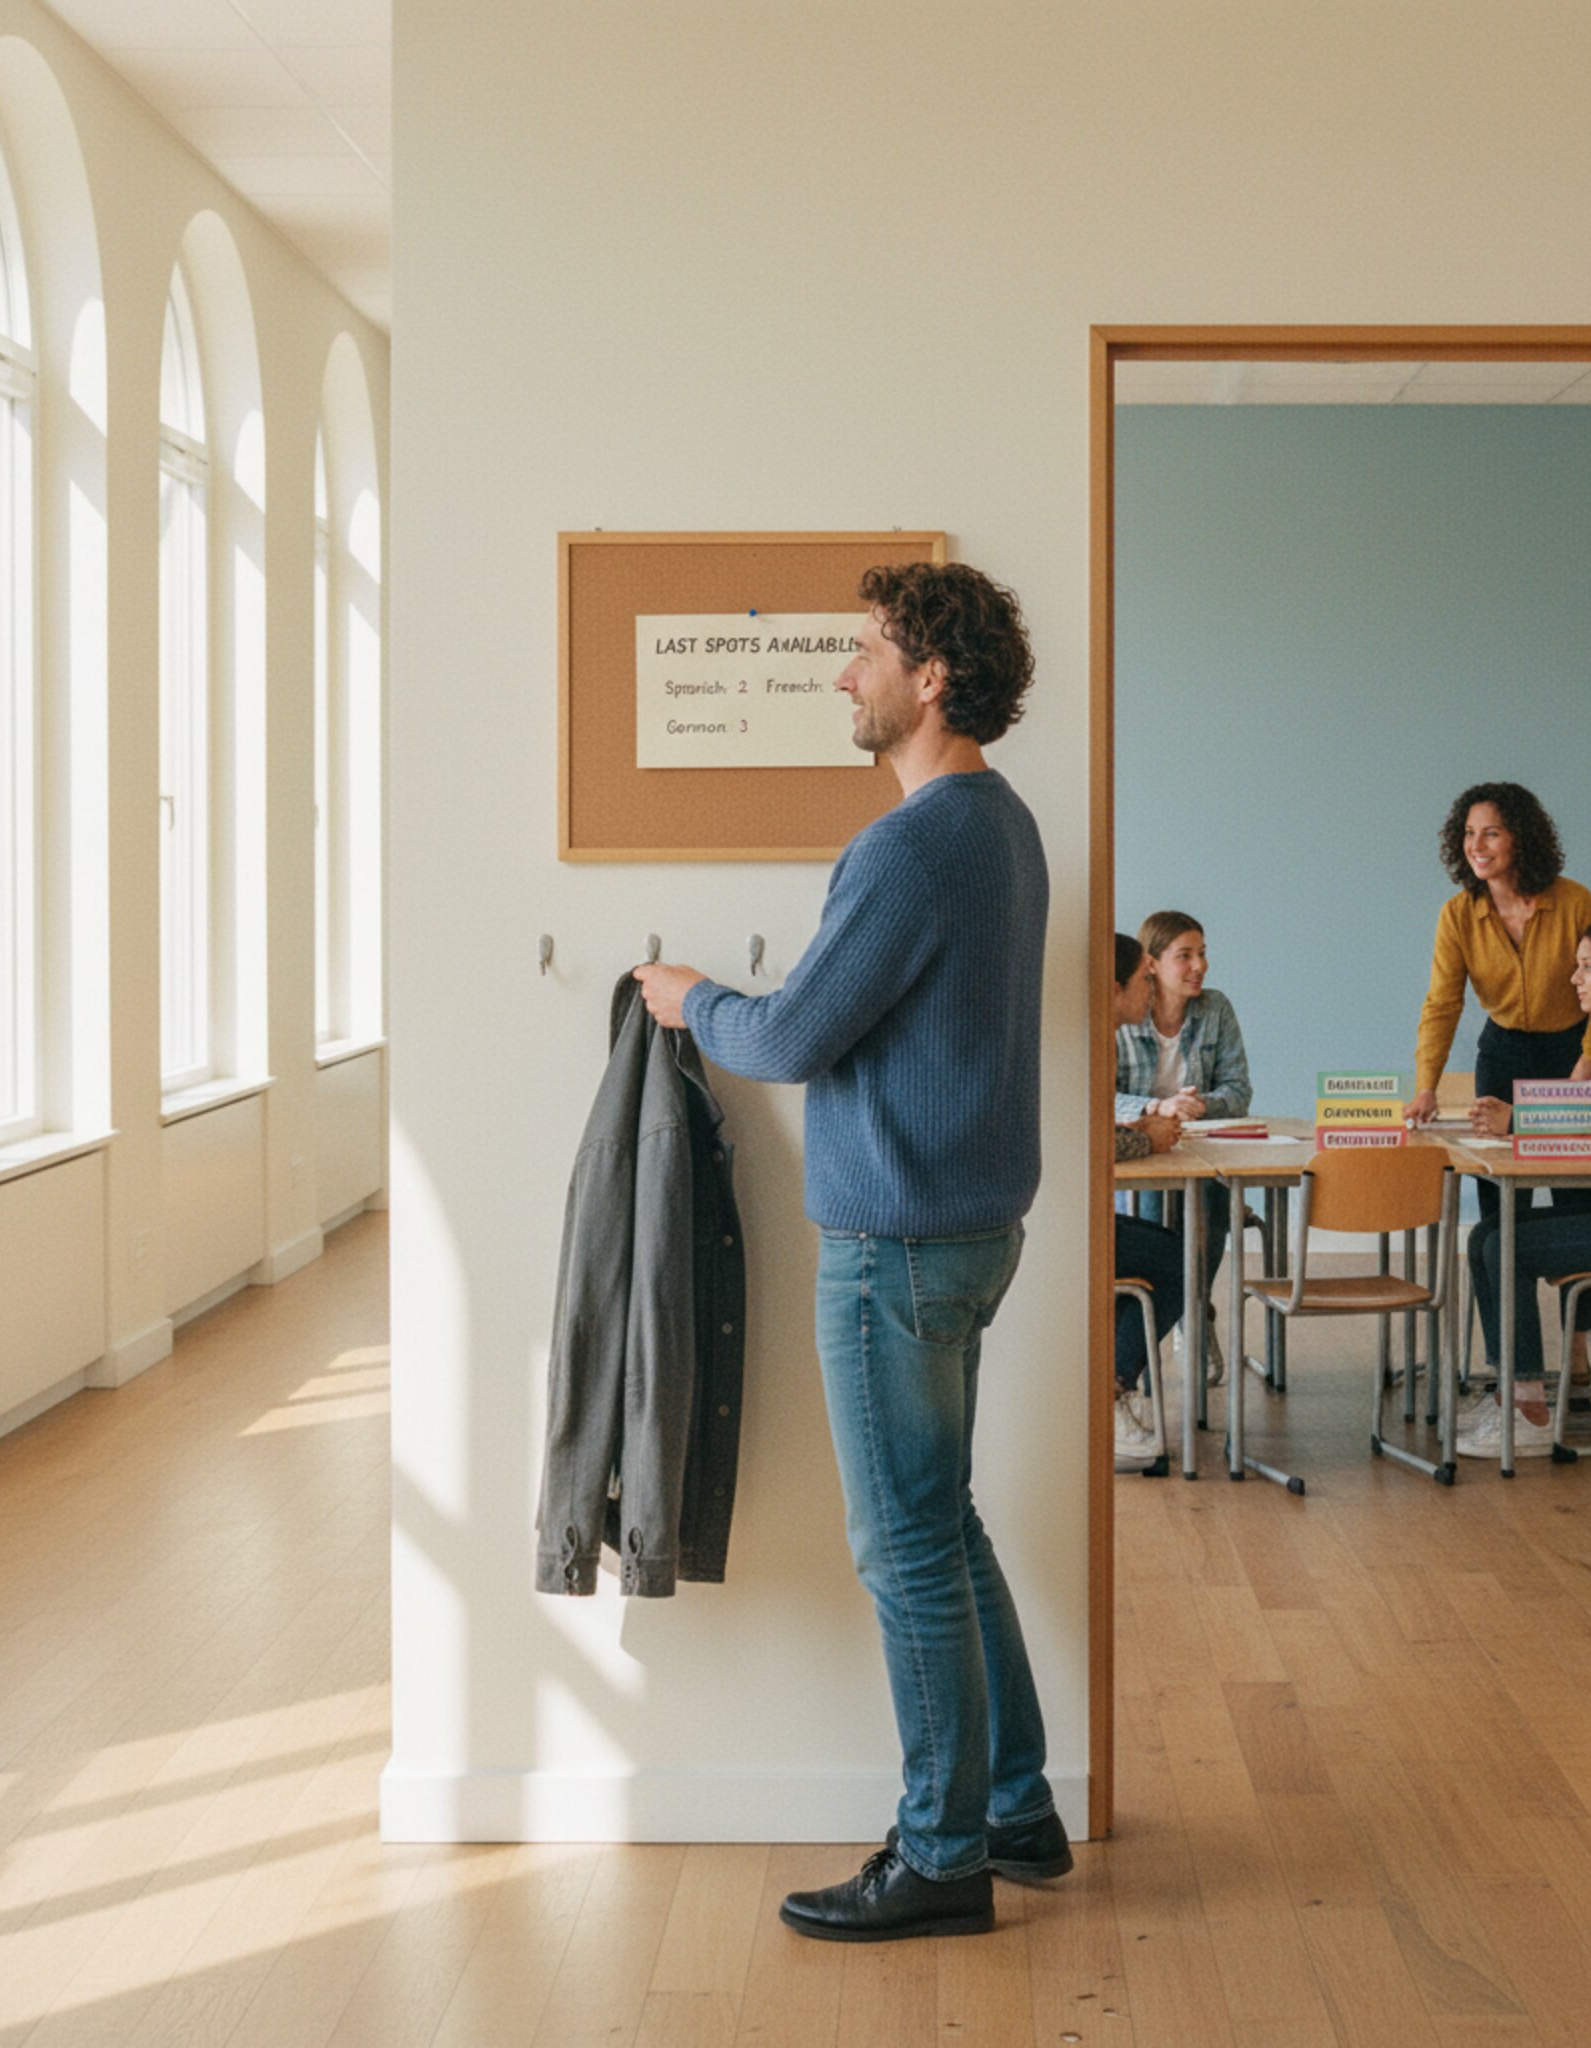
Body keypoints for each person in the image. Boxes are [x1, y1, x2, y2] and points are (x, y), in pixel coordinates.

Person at [636, 561, 1064, 1943]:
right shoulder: (1003, 827)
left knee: (905, 1553)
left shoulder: (915, 844)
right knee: (947, 1526)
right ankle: (1015, 1807)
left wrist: (689, 995)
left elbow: (790, 1035)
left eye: (870, 651)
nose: (847, 674)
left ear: (931, 678)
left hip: (895, 1246)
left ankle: (944, 1856)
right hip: (969, 1232)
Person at [1403, 782, 1591, 1381]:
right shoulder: (1459, 914)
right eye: (1469, 833)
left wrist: (1588, 1061)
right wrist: (1427, 1086)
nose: (1477, 844)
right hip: (1502, 1057)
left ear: (1520, 836)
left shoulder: (1573, 902)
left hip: (1571, 1052)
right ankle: (1509, 1363)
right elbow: (1442, 1004)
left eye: (1490, 831)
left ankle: (1576, 1355)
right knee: (1499, 1215)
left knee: (1576, 1205)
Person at [1457, 917, 1591, 1458]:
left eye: (1588, 968)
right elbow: (1586, 1116)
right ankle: (1516, 1391)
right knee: (1485, 1234)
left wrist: (1519, 1120)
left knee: (1506, 1245)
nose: (1574, 979)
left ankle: (1527, 1411)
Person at [1114, 911, 1250, 1383]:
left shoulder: (1215, 1009)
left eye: (1203, 953)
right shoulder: (1124, 1011)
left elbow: (1237, 1091)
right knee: (1153, 1203)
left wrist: (1191, 1106)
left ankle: (1191, 1315)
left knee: (1211, 1198)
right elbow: (1102, 1096)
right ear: (1150, 964)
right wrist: (1158, 1105)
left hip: (1200, 1147)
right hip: (1141, 1154)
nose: (1200, 966)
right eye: (1185, 956)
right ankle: (1157, 1323)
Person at [1112, 933, 1184, 1469]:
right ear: (1115, 989)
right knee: (1176, 1259)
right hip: (1059, 1224)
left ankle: (1110, 1386)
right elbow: (1088, 1137)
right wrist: (1148, 1139)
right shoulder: (1094, 1041)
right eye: (1143, 978)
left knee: (1166, 1249)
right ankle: (1110, 1394)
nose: (1151, 985)